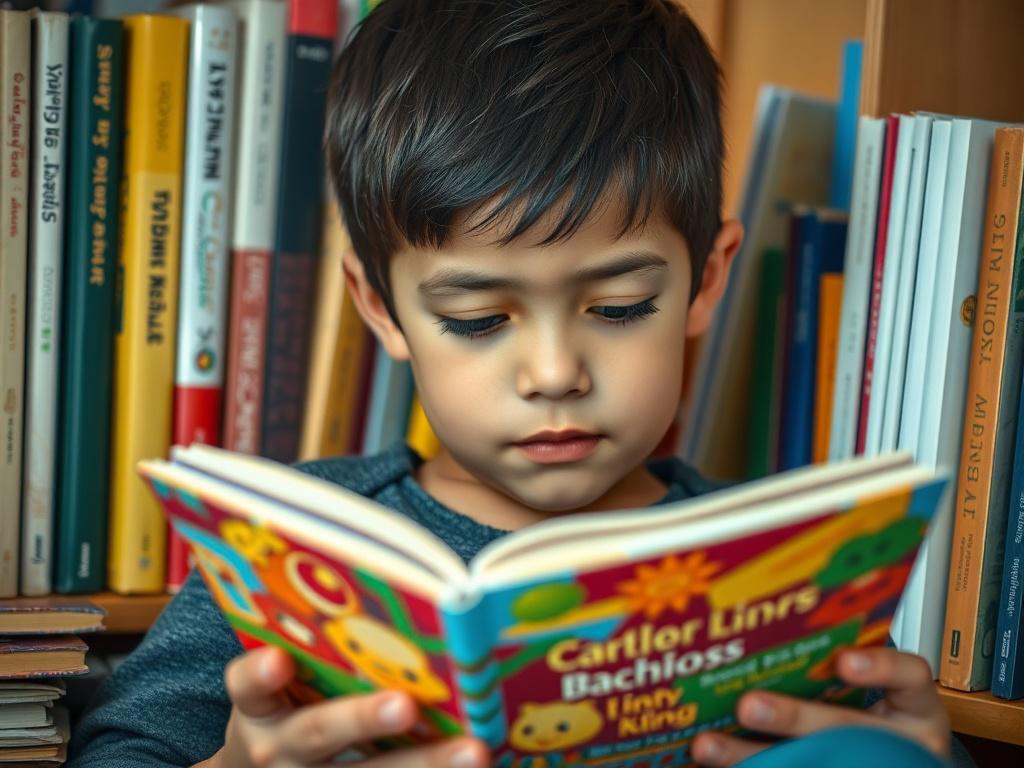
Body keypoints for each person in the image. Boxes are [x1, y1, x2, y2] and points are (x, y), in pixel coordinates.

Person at [68, 1, 957, 766]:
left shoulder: (778, 567)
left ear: (704, 282)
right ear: (381, 309)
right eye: (478, 320)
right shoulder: (287, 552)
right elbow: (122, 749)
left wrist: (918, 748)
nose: (554, 374)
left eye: (618, 306)